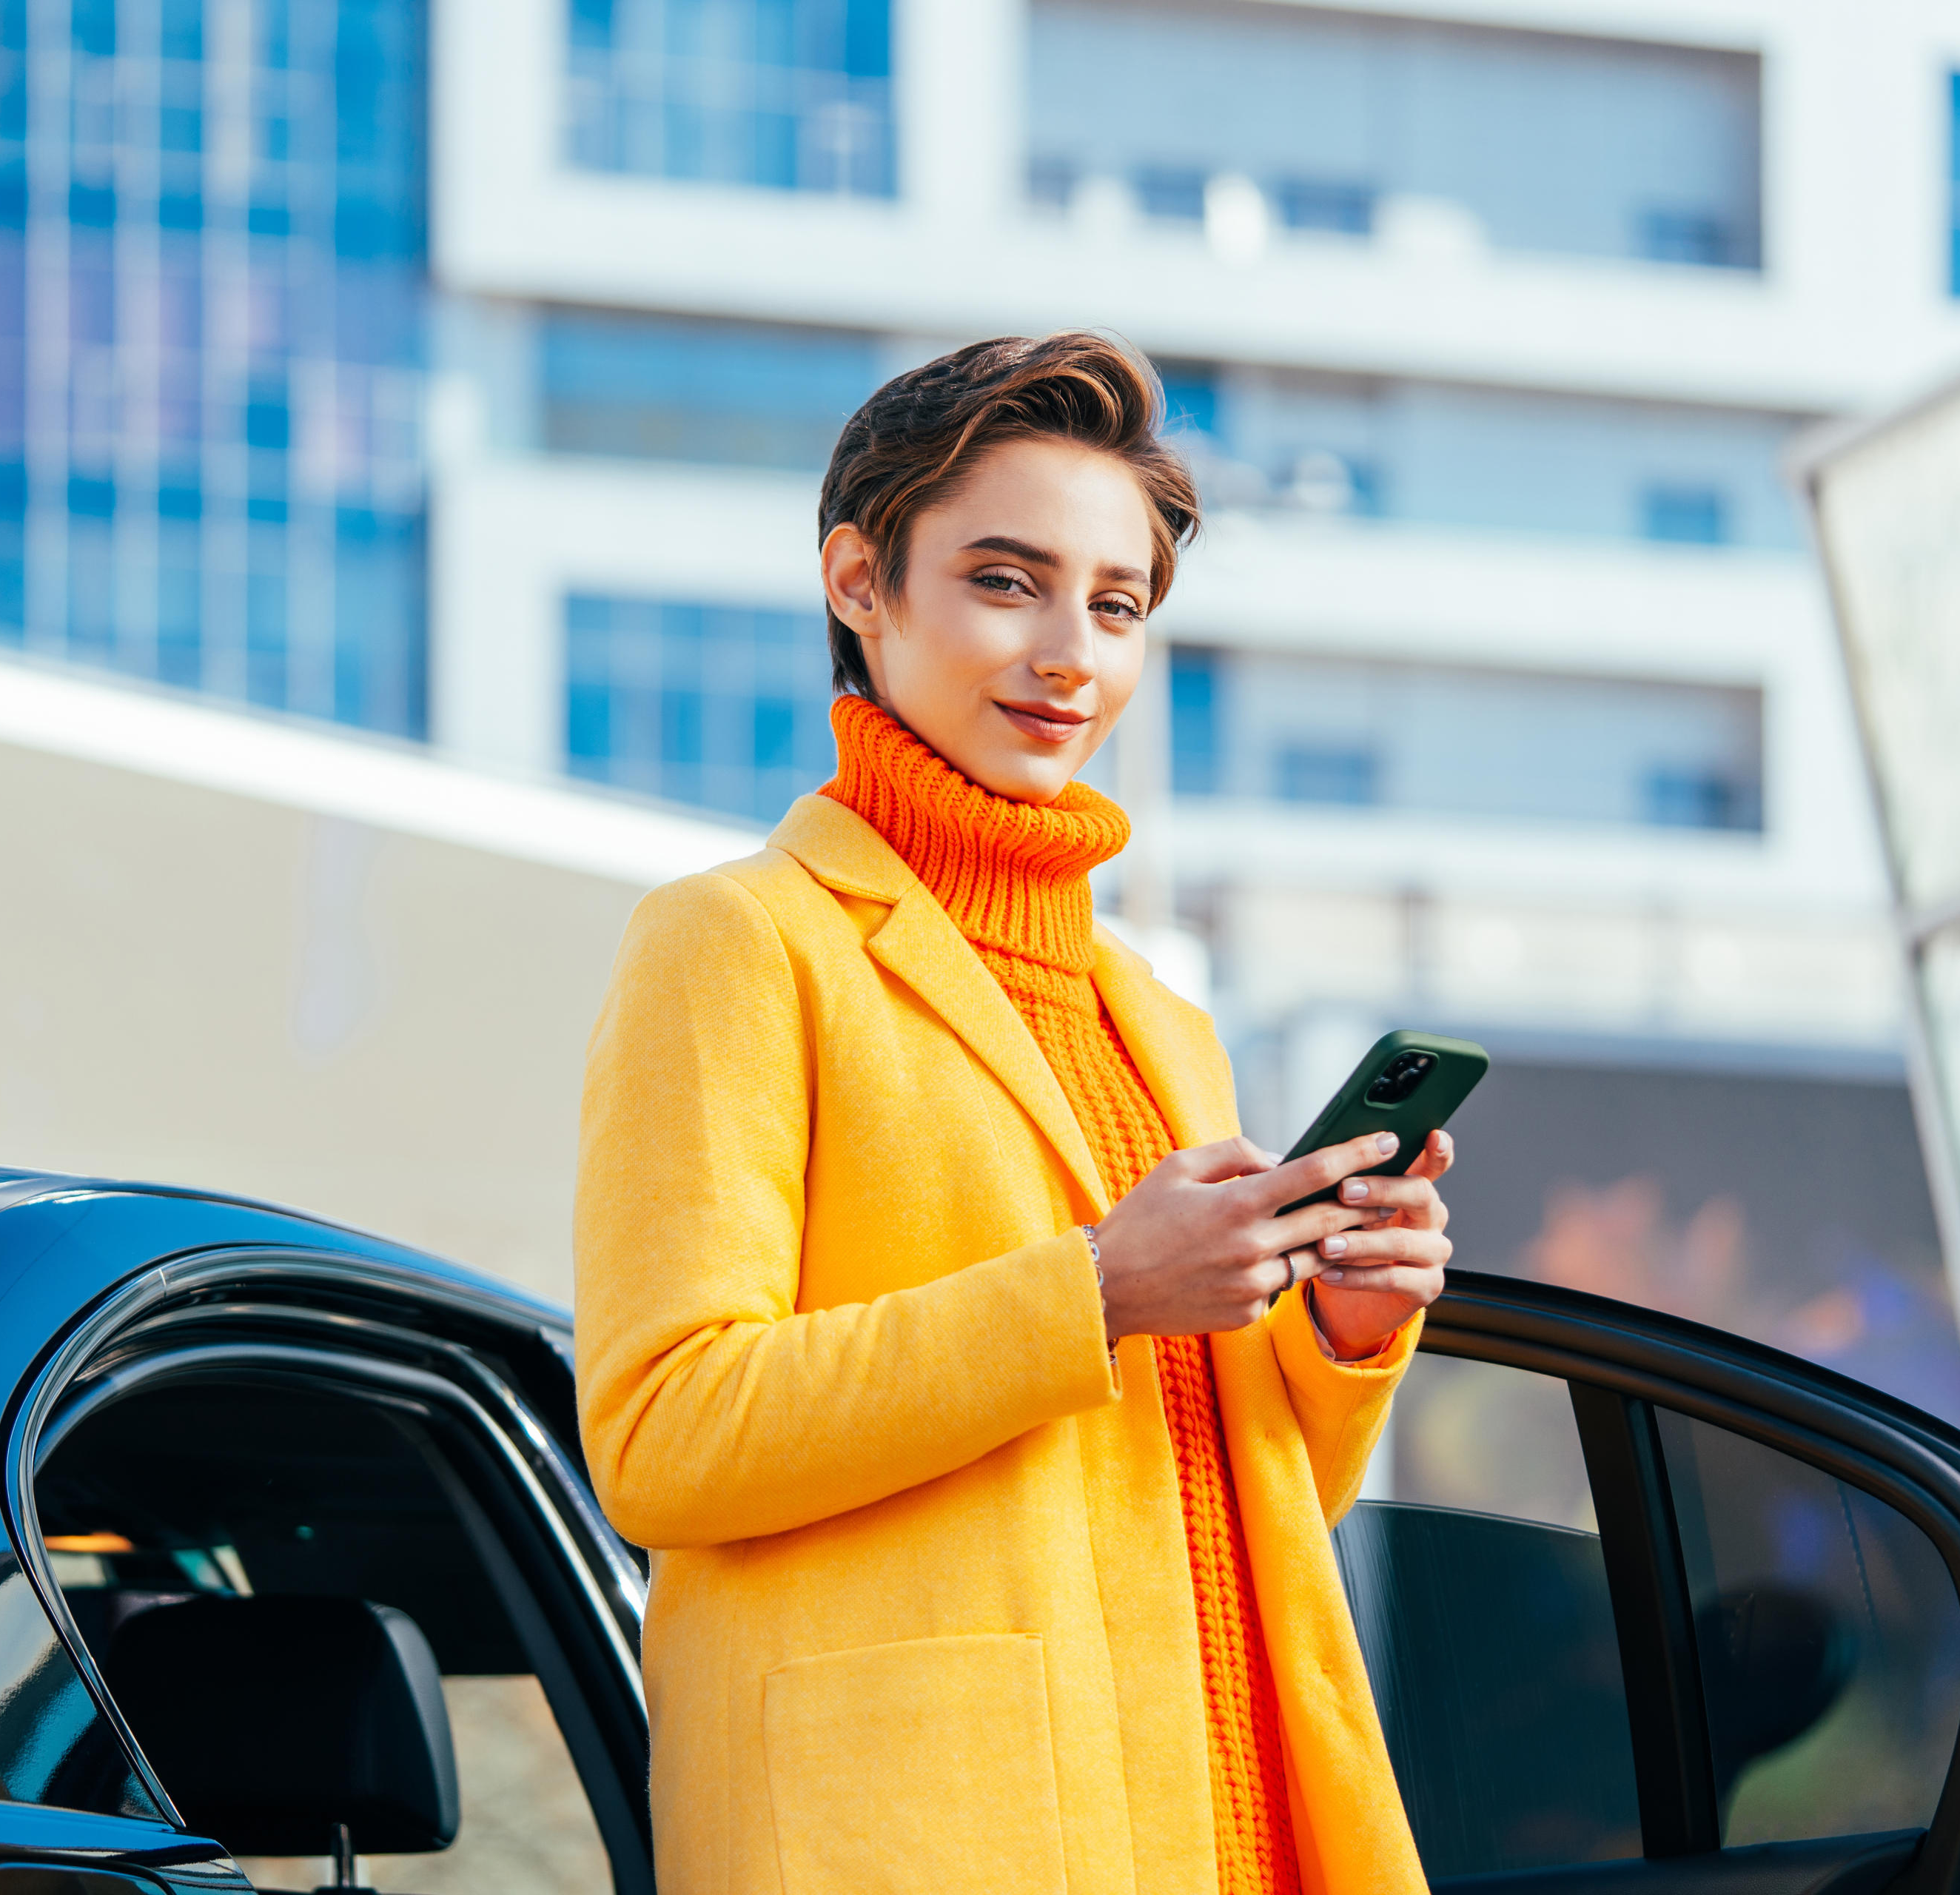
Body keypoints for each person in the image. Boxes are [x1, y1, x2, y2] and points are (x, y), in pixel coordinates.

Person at [574, 332, 1451, 1895]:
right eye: (1005, 580)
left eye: (1117, 606)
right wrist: (1100, 1286)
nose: (1071, 654)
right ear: (860, 579)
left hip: (1229, 1824)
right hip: (931, 1829)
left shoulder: (1163, 1023)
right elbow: (663, 1433)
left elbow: (1211, 1499)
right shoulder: (740, 941)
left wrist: (1343, 1338)